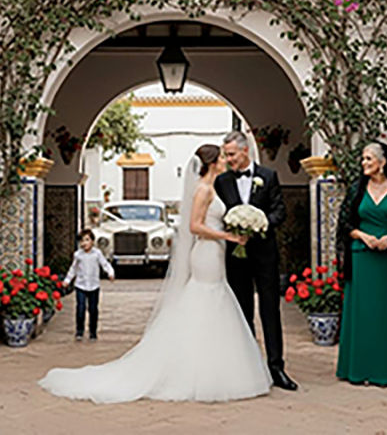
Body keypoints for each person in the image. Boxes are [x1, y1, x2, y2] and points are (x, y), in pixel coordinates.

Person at [38, 144, 270, 403]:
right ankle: (195, 371)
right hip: (205, 253)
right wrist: (227, 235)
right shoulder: (203, 189)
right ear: (211, 162)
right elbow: (194, 227)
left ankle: (209, 365)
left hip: (214, 253)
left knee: (213, 300)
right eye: (221, 158)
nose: (226, 161)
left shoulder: (212, 187)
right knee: (208, 298)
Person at [215, 131, 297, 391]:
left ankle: (277, 368)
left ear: (244, 151)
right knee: (242, 312)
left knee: (270, 311)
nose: (228, 160)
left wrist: (260, 225)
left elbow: (280, 211)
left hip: (265, 255)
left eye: (231, 154)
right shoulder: (222, 181)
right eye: (226, 155)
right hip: (235, 258)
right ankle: (249, 368)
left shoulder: (269, 176)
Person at [336, 140, 387, 389]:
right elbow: (344, 225)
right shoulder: (356, 189)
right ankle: (359, 370)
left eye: (368, 158)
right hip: (362, 257)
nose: (363, 163)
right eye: (363, 159)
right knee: (363, 313)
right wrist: (364, 236)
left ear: (382, 162)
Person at [61, 234, 115, 341]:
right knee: (80, 309)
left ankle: (93, 332)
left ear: (92, 241)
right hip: (80, 285)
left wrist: (110, 272)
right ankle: (79, 331)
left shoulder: (97, 254)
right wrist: (67, 280)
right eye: (82, 241)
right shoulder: (78, 255)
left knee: (93, 309)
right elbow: (73, 269)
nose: (84, 243)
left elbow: (105, 264)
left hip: (94, 285)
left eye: (87, 240)